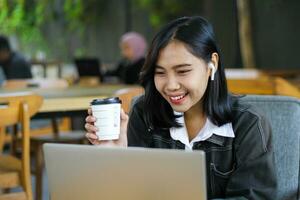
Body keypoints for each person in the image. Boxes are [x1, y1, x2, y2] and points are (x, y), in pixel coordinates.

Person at [85, 16, 277, 199]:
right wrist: (117, 154)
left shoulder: (248, 123)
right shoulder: (145, 113)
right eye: (160, 73)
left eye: (183, 71)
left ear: (212, 64)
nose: (170, 85)